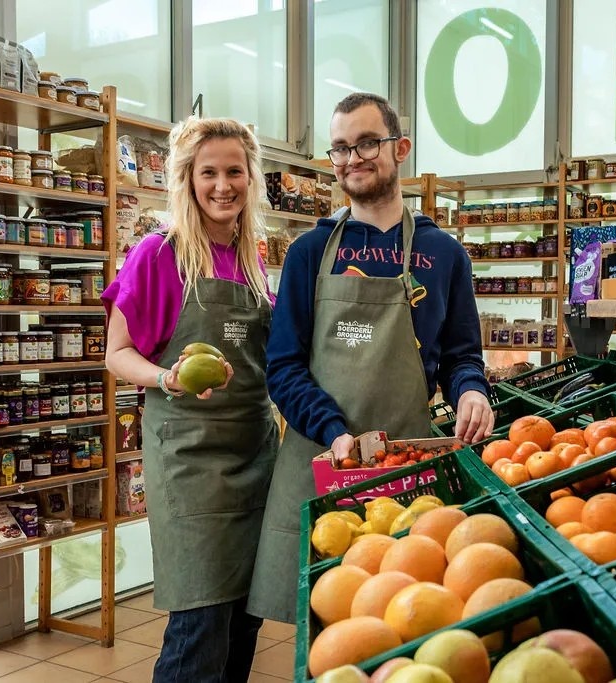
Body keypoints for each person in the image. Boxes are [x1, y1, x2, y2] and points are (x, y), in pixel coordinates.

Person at [248, 92, 494, 624]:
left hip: (405, 468)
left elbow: (460, 356)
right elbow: (283, 367)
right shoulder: (310, 252)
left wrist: (472, 389)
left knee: (405, 621)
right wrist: (334, 430)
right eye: (340, 148)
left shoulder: (444, 254)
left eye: (367, 143)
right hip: (322, 460)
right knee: (326, 632)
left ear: (400, 148)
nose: (353, 158)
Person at [102, 116, 278, 682]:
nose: (222, 185)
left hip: (254, 453)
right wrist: (166, 379)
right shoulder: (159, 255)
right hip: (189, 458)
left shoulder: (254, 261)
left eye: (234, 171)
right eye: (209, 172)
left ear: (251, 178)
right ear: (187, 178)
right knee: (200, 622)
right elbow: (117, 353)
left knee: (245, 618)